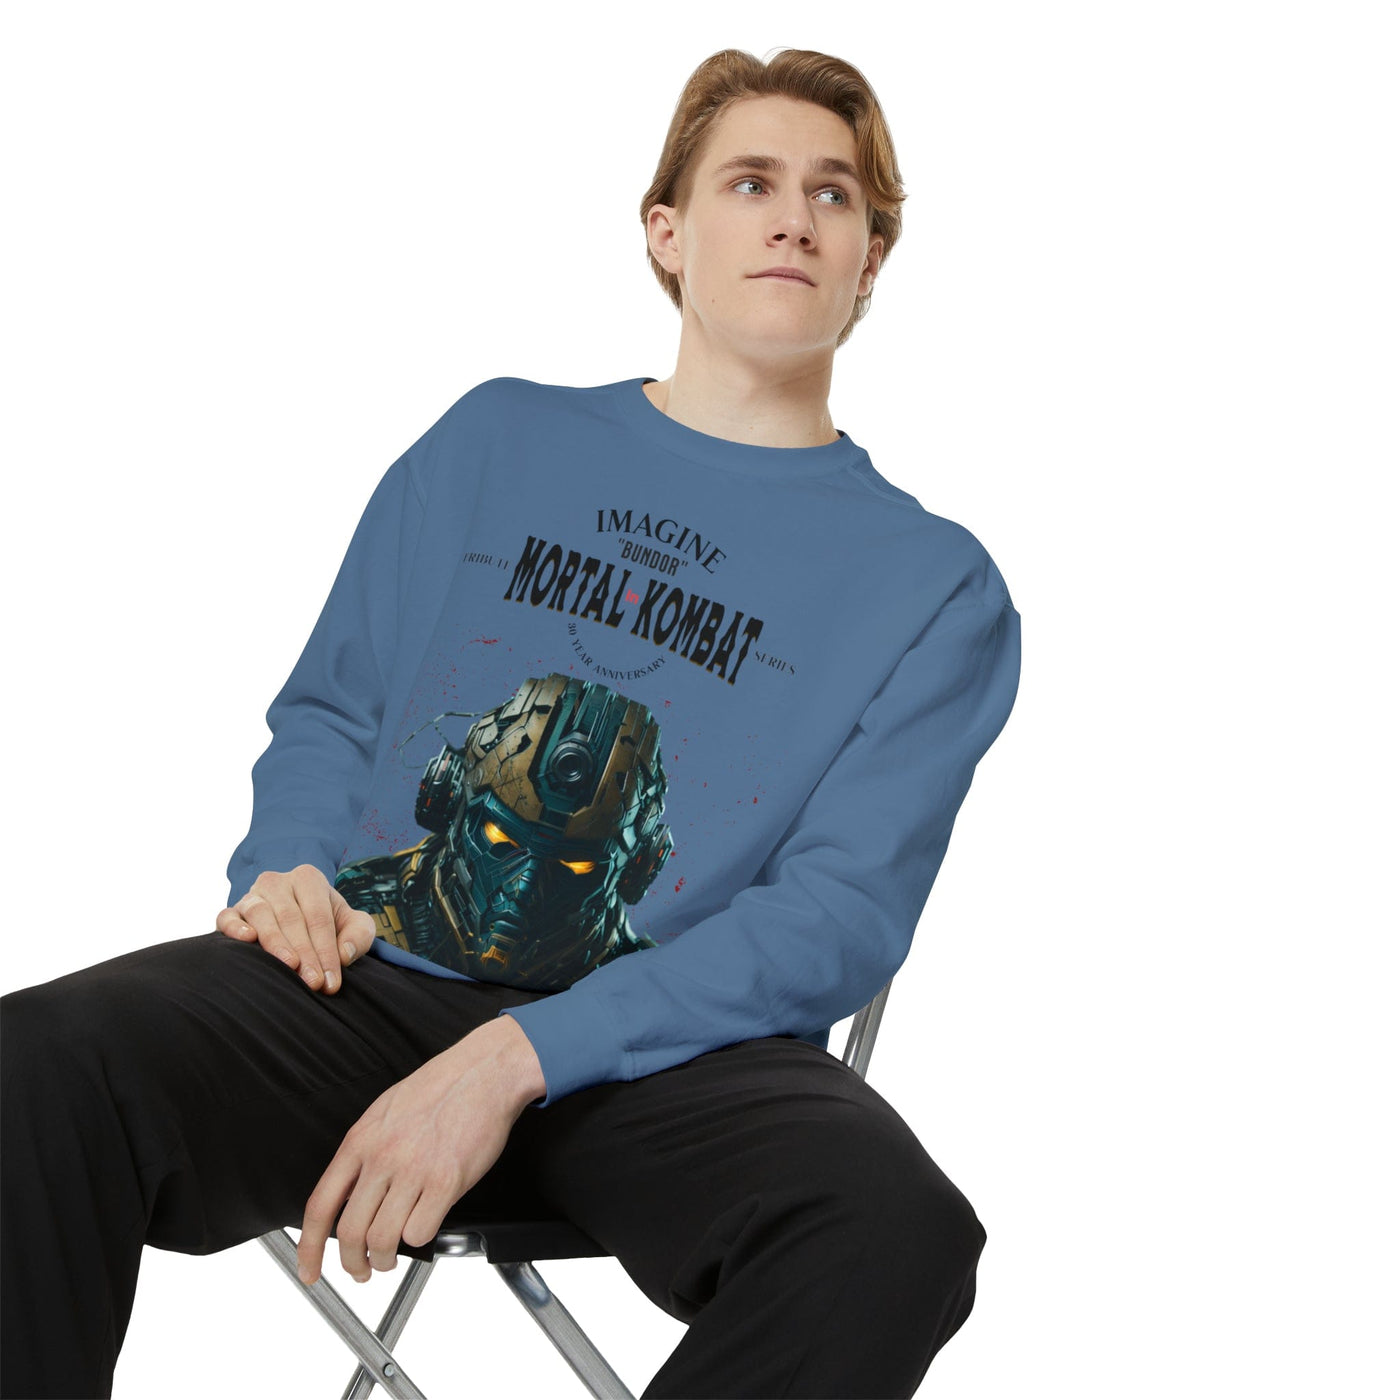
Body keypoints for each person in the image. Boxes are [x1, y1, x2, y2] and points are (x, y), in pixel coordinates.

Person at [1, 46, 1021, 1400]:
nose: (793, 218)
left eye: (834, 196)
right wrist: (285, 871)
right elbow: (337, 706)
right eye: (751, 182)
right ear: (668, 231)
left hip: (673, 1051)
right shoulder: (495, 442)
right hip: (365, 983)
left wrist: (520, 1058)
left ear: (870, 260)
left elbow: (835, 917)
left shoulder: (935, 585)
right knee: (33, 1071)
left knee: (894, 1234)